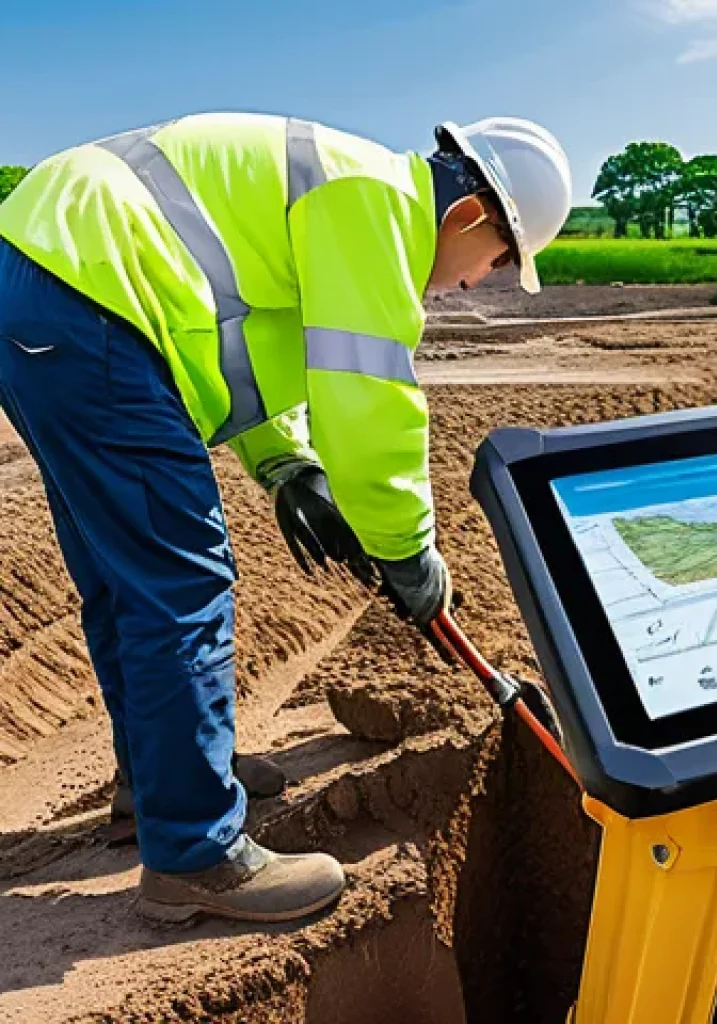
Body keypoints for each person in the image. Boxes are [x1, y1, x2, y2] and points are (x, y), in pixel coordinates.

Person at [0, 113, 571, 922]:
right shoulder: (376, 207)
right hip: (94, 299)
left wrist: (286, 465)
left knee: (123, 573)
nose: (480, 282)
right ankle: (197, 851)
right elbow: (367, 398)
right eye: (501, 261)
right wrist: (408, 551)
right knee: (179, 583)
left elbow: (238, 335)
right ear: (472, 213)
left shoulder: (343, 186)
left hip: (44, 281)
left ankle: (159, 781)